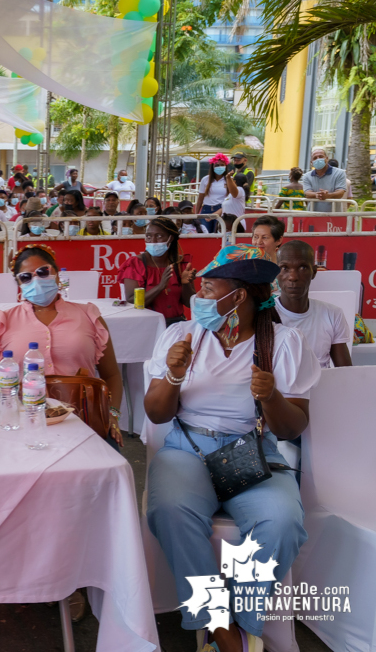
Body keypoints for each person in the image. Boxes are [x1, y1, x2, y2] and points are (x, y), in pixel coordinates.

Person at [144, 245, 320, 652]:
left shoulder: (283, 342)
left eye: (207, 288)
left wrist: (272, 396)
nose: (197, 296)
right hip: (187, 447)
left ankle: (239, 618)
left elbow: (294, 427)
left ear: (237, 296)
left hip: (253, 449)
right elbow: (155, 415)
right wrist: (172, 375)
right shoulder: (181, 335)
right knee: (171, 510)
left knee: (282, 521)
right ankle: (221, 629)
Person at [0, 243, 125, 441]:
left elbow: (111, 375)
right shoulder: (2, 322)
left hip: (85, 423)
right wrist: (3, 411)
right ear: (19, 284)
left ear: (57, 274)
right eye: (26, 277)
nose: (36, 280)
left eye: (43, 272)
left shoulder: (89, 315)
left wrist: (112, 415)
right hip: (25, 426)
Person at [275, 240, 352, 368]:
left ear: (314, 272)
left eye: (302, 267)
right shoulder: (264, 315)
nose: (293, 277)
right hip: (279, 388)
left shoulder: (332, 314)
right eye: (285, 268)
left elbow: (346, 373)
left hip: (324, 387)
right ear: (276, 273)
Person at [118, 217, 196, 324]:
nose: (153, 241)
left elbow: (189, 303)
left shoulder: (181, 263)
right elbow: (132, 301)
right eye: (149, 236)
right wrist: (160, 287)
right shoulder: (135, 264)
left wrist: (186, 284)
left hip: (176, 324)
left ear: (171, 238)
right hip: (146, 325)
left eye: (159, 236)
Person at [195, 153, 233, 232]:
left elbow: (231, 199)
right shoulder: (205, 179)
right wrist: (196, 214)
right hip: (206, 210)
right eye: (217, 165)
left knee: (219, 234)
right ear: (212, 166)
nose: (219, 167)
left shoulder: (229, 179)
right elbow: (200, 199)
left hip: (221, 210)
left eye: (222, 165)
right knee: (205, 234)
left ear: (226, 166)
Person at [302, 147, 347, 212]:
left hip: (334, 216)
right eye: (315, 158)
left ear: (327, 158)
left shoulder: (339, 173)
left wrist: (328, 196)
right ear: (311, 162)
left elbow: (340, 192)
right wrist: (317, 195)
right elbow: (307, 193)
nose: (318, 159)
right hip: (313, 216)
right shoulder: (307, 176)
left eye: (321, 156)